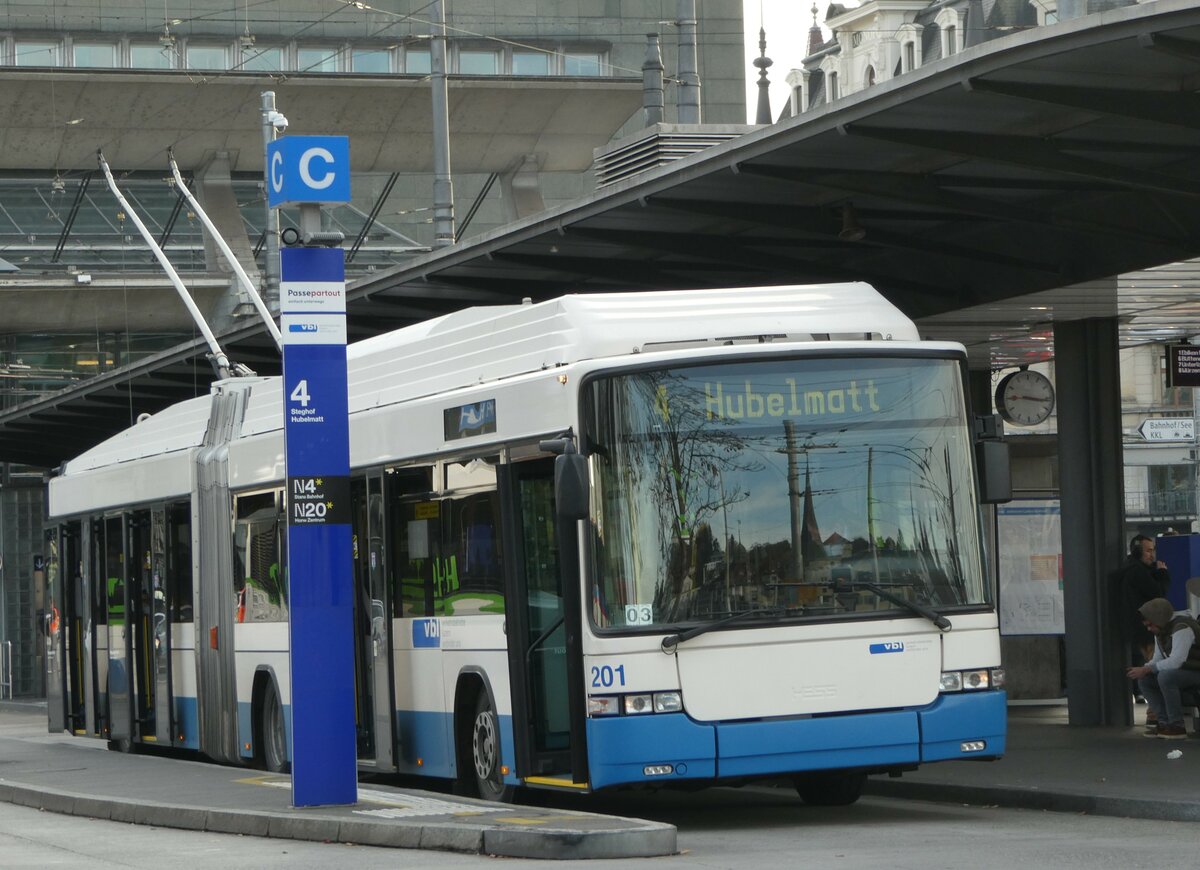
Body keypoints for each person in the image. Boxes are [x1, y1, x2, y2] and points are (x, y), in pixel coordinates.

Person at [1125, 598, 1200, 739]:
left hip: (1195, 671)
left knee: (1166, 676)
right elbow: (1157, 659)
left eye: (1150, 625)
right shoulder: (1161, 631)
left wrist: (1147, 669)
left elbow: (1176, 661)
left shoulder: (1182, 628)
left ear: (1159, 619)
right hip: (1188, 671)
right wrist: (1142, 670)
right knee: (1145, 680)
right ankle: (1164, 723)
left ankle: (1176, 725)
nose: (1149, 629)